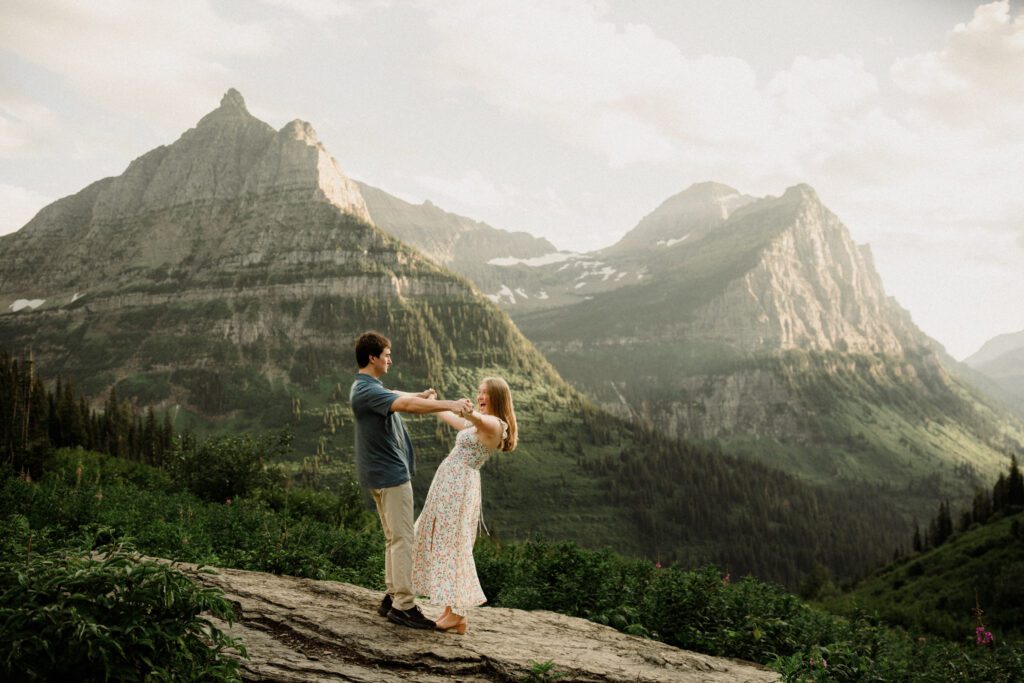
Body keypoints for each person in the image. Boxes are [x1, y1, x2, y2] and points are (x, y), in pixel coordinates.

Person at [349, 331, 472, 631]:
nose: (390, 359)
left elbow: (398, 395)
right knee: (404, 539)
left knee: (394, 538)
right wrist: (449, 405)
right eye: (387, 355)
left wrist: (421, 394)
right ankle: (404, 606)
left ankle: (393, 597)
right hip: (391, 477)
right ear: (372, 358)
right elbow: (406, 405)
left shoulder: (365, 386)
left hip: (380, 475)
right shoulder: (367, 391)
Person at [411, 376, 518, 634]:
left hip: (459, 486)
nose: (480, 396)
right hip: (449, 483)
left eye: (485, 393)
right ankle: (451, 611)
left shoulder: (495, 424)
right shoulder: (478, 423)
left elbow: (477, 419)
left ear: (497, 397)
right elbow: (452, 418)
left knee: (453, 543)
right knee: (444, 540)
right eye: (479, 392)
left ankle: (458, 613)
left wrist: (467, 410)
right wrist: (436, 403)